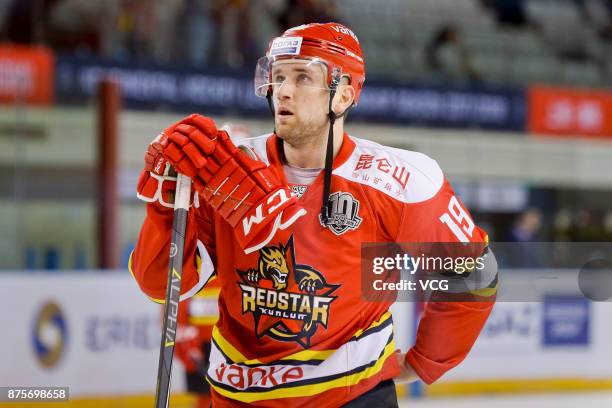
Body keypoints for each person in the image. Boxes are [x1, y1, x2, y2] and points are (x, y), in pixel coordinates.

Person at [131, 22, 497, 407]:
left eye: (303, 77)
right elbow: (163, 286)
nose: (283, 90)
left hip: (352, 397)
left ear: (343, 94)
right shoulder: (226, 171)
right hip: (237, 398)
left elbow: (474, 274)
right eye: (278, 76)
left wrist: (426, 361)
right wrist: (164, 213)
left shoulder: (399, 181)